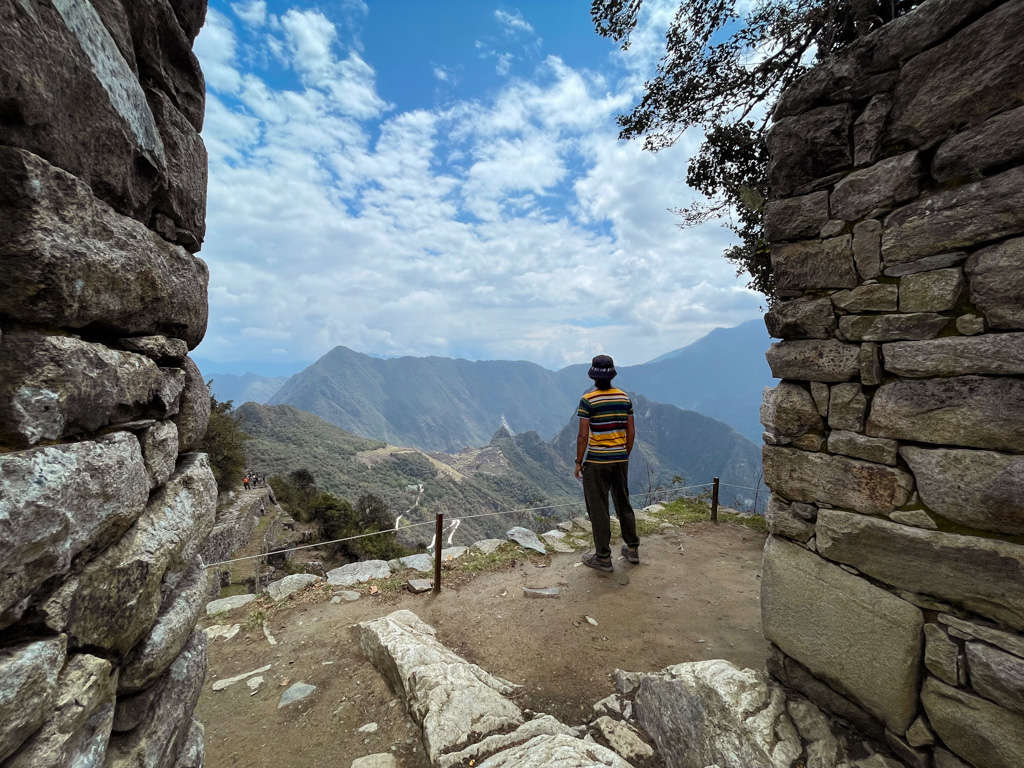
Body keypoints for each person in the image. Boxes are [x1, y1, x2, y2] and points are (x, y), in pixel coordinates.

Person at [574, 354, 640, 572]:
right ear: (612, 375)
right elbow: (631, 431)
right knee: (623, 503)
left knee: (599, 508)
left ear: (593, 376)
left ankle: (603, 557)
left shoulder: (588, 400)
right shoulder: (624, 398)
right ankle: (632, 548)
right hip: (620, 459)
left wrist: (578, 461)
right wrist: (624, 453)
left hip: (597, 462)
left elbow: (583, 436)